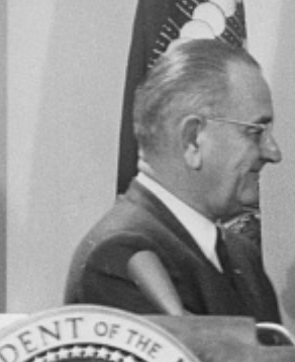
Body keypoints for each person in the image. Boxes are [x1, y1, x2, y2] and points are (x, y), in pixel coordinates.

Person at [65, 38, 281, 323]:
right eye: (256, 132)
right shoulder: (119, 258)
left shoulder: (242, 256)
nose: (273, 152)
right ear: (192, 139)